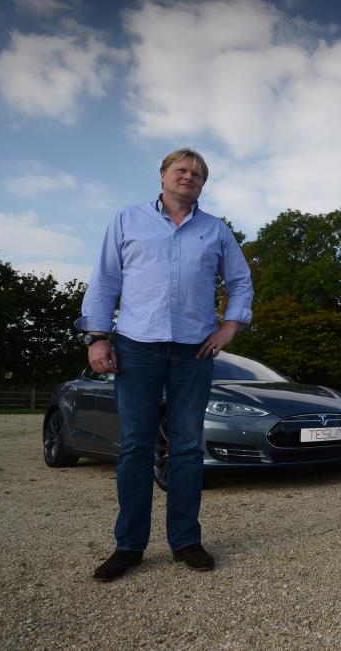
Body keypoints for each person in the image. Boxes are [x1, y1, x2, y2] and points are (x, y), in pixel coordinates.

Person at [77, 148, 253, 582]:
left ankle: (186, 540)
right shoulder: (127, 219)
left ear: (203, 184)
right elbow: (105, 279)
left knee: (188, 446)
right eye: (181, 170)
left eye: (197, 174)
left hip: (194, 350)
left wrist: (229, 328)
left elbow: (240, 281)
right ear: (163, 175)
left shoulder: (215, 230)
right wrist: (98, 336)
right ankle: (129, 545)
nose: (188, 177)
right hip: (136, 346)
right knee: (135, 446)